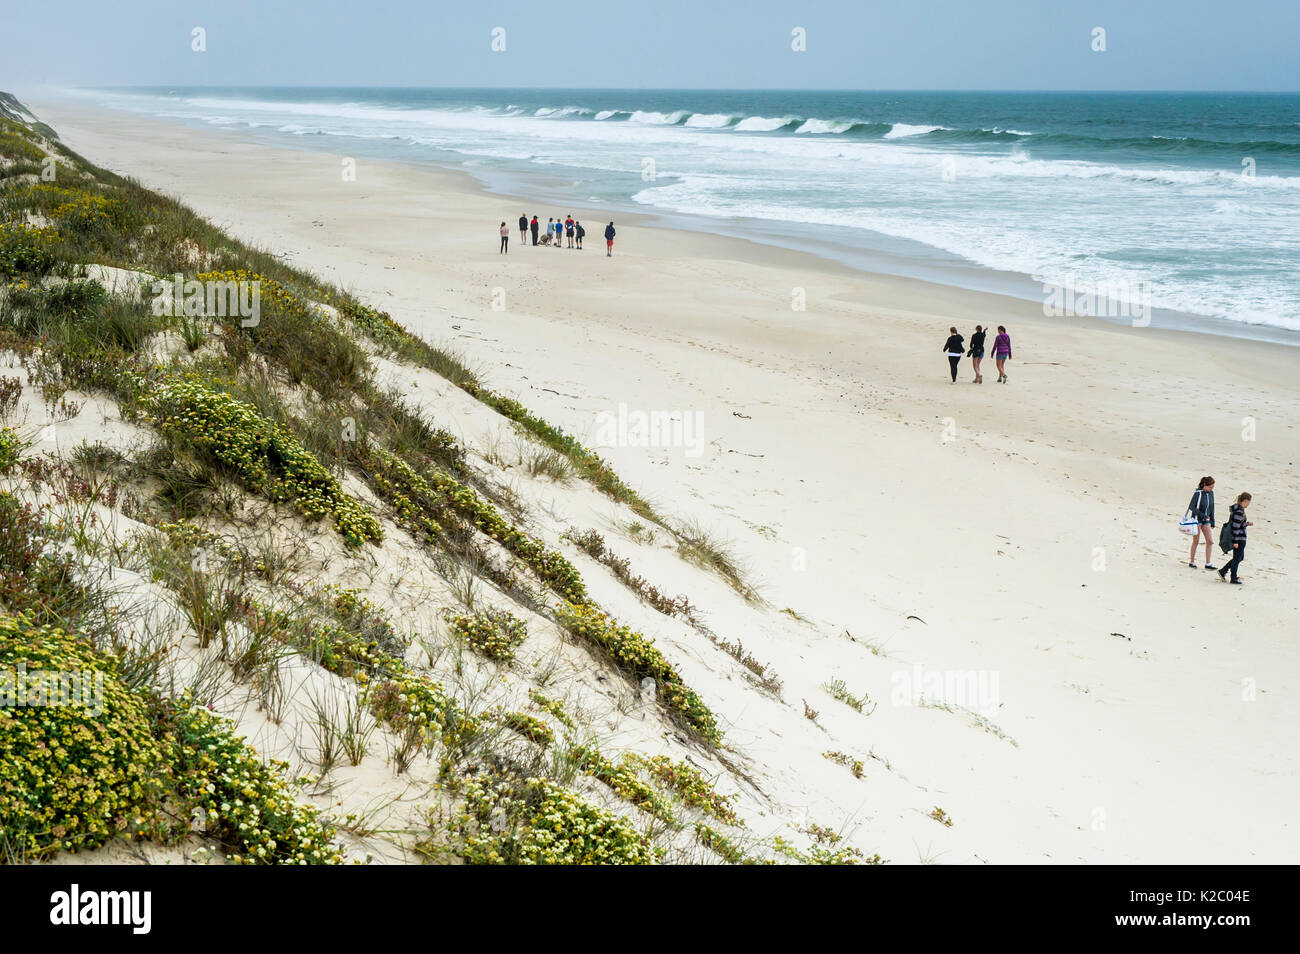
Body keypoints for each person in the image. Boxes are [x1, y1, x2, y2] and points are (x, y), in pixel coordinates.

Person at [1218, 493, 1253, 584]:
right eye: (1248, 503)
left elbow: (1238, 525)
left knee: (1239, 557)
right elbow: (1235, 528)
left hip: (1239, 538)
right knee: (1237, 558)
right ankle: (1233, 577)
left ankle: (1223, 571)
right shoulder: (1239, 511)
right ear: (1245, 501)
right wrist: (1235, 541)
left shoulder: (1237, 509)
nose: (1248, 505)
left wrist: (1246, 524)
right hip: (1239, 539)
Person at [1186, 477, 1217, 570]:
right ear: (1204, 485)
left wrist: (1213, 520)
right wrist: (1202, 515)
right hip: (1197, 519)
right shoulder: (1198, 493)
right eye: (1210, 487)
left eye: (1212, 487)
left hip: (1206, 520)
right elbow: (1191, 506)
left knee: (1210, 541)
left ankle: (1208, 563)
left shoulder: (1211, 493)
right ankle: (1192, 561)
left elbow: (1212, 507)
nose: (1211, 489)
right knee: (1196, 541)